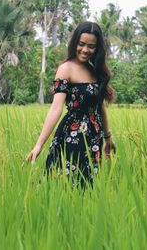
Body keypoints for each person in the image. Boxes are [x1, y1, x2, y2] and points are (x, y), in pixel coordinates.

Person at [25, 21, 116, 188]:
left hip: (94, 139)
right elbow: (56, 108)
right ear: (75, 42)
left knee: (88, 187)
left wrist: (108, 138)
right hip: (72, 136)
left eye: (91, 46)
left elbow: (99, 107)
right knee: (66, 185)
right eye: (81, 44)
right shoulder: (66, 68)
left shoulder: (95, 70)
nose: (85, 50)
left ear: (97, 48)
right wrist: (39, 144)